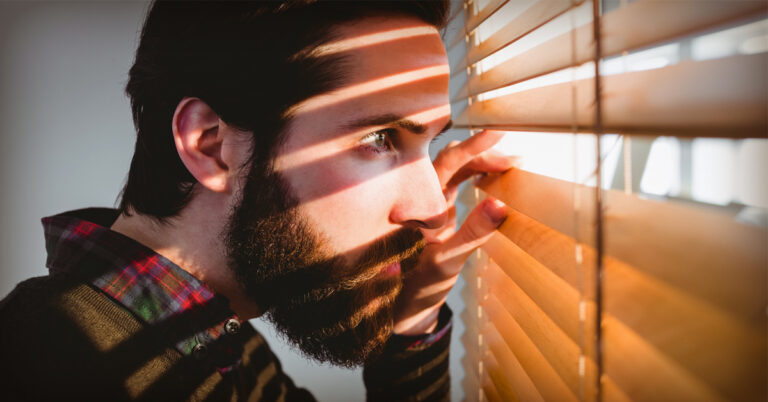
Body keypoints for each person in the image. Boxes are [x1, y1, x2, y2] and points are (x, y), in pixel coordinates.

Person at [0, 1, 514, 400]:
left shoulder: (217, 342)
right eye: (380, 139)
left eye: (430, 145)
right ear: (211, 144)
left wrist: (411, 323)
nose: (432, 208)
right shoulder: (44, 368)